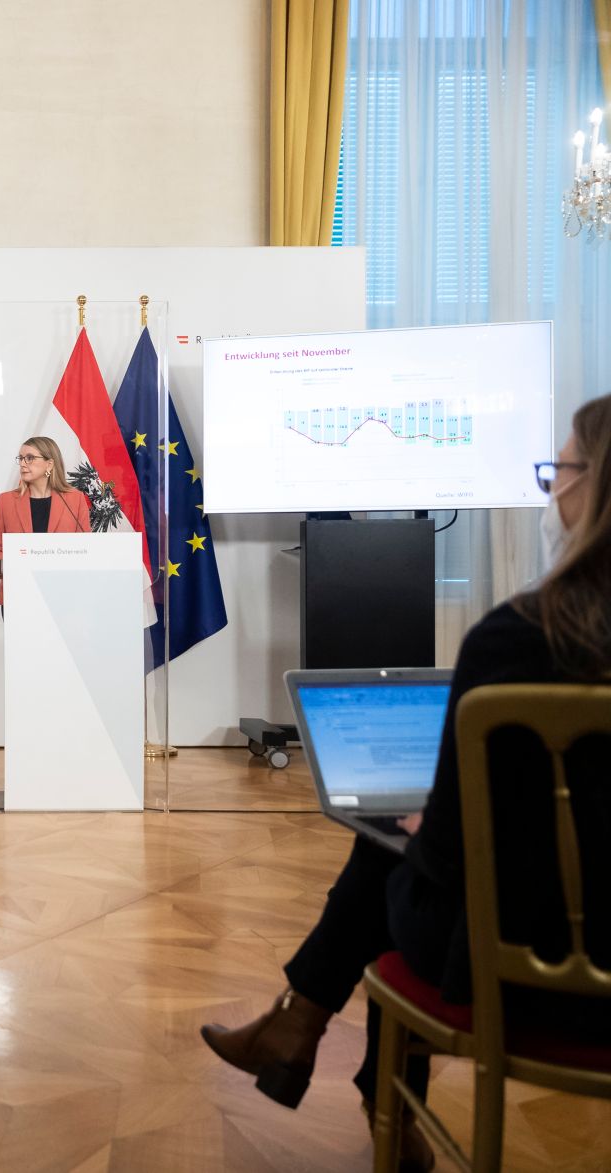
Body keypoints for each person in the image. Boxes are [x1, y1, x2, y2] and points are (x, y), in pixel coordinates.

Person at [200, 395, 611, 1170]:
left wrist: (425, 827)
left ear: (596, 488)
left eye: (561, 469)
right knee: (402, 847)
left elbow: (453, 851)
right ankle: (312, 1040)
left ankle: (305, 1027)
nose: (553, 487)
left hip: (524, 966)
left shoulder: (518, 641)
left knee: (393, 847)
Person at [0, 434, 92, 606]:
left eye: (30, 458)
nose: (23, 463)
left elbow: (86, 548)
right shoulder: (6, 501)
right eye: (21, 458)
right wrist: (21, 565)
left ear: (50, 464)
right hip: (18, 595)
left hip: (64, 596)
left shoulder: (74, 500)